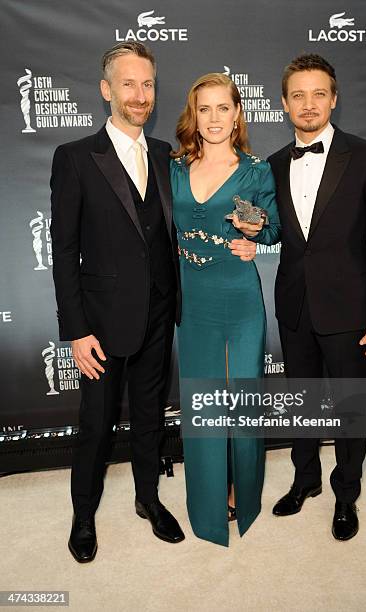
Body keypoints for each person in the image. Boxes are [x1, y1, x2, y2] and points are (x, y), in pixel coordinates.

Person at [50, 42, 254, 563]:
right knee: (95, 425)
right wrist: (75, 330)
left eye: (147, 85)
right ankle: (84, 515)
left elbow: (205, 213)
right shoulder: (75, 158)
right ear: (106, 90)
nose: (140, 95)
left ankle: (148, 499)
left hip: (162, 316)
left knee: (150, 417)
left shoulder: (168, 156)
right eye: (128, 84)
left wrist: (253, 233)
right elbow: (64, 251)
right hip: (99, 323)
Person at [268, 54, 366, 540]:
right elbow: (277, 233)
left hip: (351, 310)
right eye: (298, 95)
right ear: (284, 103)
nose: (308, 105)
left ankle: (345, 494)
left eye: (318, 94)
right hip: (294, 306)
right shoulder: (271, 165)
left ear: (334, 99)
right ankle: (304, 478)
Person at [170, 73, 281, 546]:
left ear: (238, 113)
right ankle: (208, 504)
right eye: (204, 109)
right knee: (203, 404)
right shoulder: (172, 167)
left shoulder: (256, 170)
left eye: (223, 108)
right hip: (191, 301)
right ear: (193, 115)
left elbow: (276, 228)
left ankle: (245, 493)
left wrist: (256, 239)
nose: (214, 118)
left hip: (238, 298)